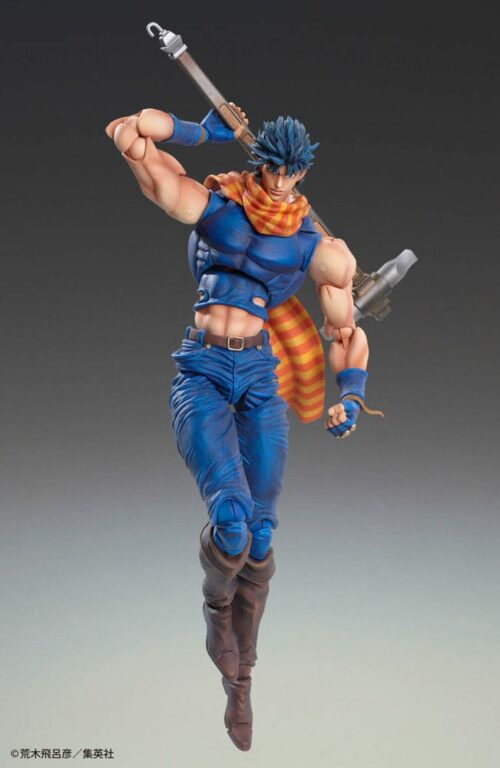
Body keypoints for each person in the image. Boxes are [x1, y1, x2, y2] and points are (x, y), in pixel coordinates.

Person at [105, 105, 372, 751]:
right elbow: (128, 135)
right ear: (261, 164)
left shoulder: (319, 248)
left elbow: (345, 333)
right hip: (201, 370)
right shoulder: (216, 208)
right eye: (271, 170)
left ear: (302, 173)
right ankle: (217, 616)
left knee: (262, 530)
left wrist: (353, 396)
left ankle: (241, 680)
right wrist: (203, 132)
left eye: (290, 174)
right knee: (231, 517)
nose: (278, 183)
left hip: (258, 375)